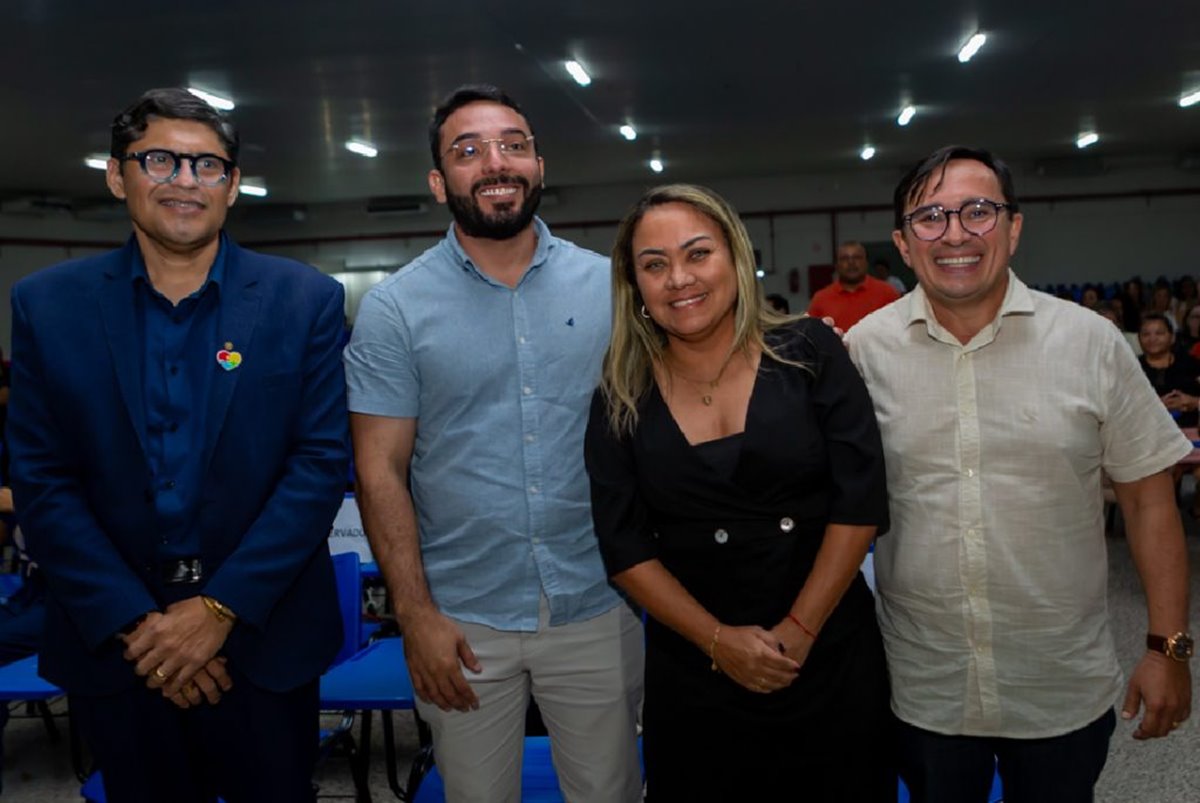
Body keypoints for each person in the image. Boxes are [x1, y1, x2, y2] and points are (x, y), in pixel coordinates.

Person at [7, 88, 349, 802]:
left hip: (263, 640)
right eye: (160, 160)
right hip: (118, 645)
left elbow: (317, 465)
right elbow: (43, 480)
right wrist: (144, 627)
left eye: (206, 165)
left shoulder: (304, 299)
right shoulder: (46, 306)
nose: (185, 181)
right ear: (116, 173)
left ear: (232, 183)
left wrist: (216, 610)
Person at [846, 145, 1193, 803]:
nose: (954, 234)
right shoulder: (864, 351)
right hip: (925, 683)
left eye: (978, 211)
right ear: (902, 241)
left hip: (1057, 680)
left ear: (1014, 226)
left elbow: (1150, 502)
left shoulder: (1091, 344)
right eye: (930, 217)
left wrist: (1167, 648)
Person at [344, 84, 643, 802]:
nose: (495, 162)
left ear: (539, 164)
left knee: (610, 793)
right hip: (461, 617)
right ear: (438, 181)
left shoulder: (609, 286)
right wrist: (413, 616)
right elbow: (379, 468)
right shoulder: (395, 308)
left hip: (598, 603)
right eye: (468, 150)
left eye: (513, 144)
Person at [585, 184, 892, 801]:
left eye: (697, 254)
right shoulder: (619, 395)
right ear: (635, 287)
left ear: (735, 258)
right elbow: (622, 547)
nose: (679, 278)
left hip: (826, 652)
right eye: (654, 265)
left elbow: (859, 500)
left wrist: (799, 631)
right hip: (696, 670)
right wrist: (719, 643)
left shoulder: (810, 351)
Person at [806, 241, 900, 331]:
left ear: (866, 263)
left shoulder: (888, 293)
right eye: (844, 258)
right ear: (837, 265)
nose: (851, 262)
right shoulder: (821, 299)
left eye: (857, 257)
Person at [1138, 312, 1200, 428]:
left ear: (1172, 337)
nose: (1152, 339)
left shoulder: (1192, 364)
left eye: (1159, 333)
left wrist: (1194, 402)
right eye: (1146, 334)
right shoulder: (1132, 369)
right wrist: (1155, 405)